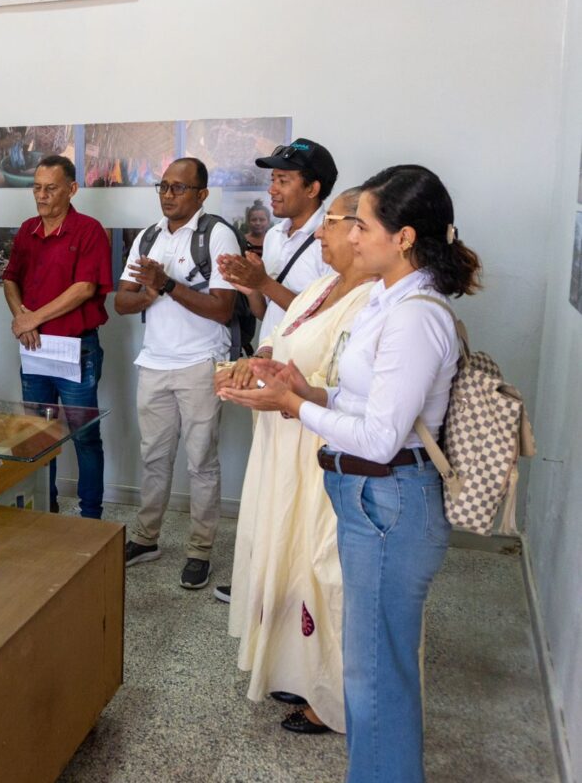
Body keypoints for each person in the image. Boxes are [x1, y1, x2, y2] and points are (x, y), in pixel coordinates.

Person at [218, 165, 480, 782]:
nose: (351, 236)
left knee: (376, 675)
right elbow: (364, 405)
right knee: (370, 670)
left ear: (404, 236)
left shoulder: (416, 315)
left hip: (391, 502)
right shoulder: (388, 300)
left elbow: (383, 438)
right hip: (368, 497)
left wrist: (295, 407)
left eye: (361, 224)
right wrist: (306, 388)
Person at [215, 188, 374, 736]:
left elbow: (349, 392)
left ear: (362, 231)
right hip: (280, 446)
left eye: (330, 223)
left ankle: (328, 694)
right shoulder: (324, 287)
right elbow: (280, 344)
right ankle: (290, 667)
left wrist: (288, 394)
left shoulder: (374, 301)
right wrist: (249, 364)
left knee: (317, 566)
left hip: (320, 453)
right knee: (279, 552)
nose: (322, 233)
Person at [114, 158, 238, 590]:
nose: (169, 194)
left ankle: (200, 549)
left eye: (179, 188)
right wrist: (150, 291)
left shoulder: (216, 234)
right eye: (163, 186)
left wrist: (166, 286)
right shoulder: (149, 236)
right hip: (155, 362)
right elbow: (121, 303)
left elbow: (224, 308)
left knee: (201, 461)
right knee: (153, 458)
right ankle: (148, 539)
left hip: (201, 362)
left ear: (202, 194)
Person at [2, 154, 112, 518]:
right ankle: (42, 508)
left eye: (51, 188)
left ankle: (91, 515)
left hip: (75, 349)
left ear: (72, 189)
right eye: (37, 188)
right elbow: (9, 279)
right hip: (34, 351)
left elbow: (84, 288)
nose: (41, 196)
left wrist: (32, 318)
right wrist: (22, 318)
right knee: (37, 435)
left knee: (84, 435)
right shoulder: (27, 229)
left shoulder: (88, 230)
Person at [217, 138, 336, 343]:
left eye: (282, 181)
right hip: (271, 362)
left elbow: (324, 317)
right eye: (272, 180)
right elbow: (266, 314)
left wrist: (264, 282)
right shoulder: (274, 235)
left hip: (303, 369)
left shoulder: (332, 239)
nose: (272, 189)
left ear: (312, 189)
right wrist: (252, 289)